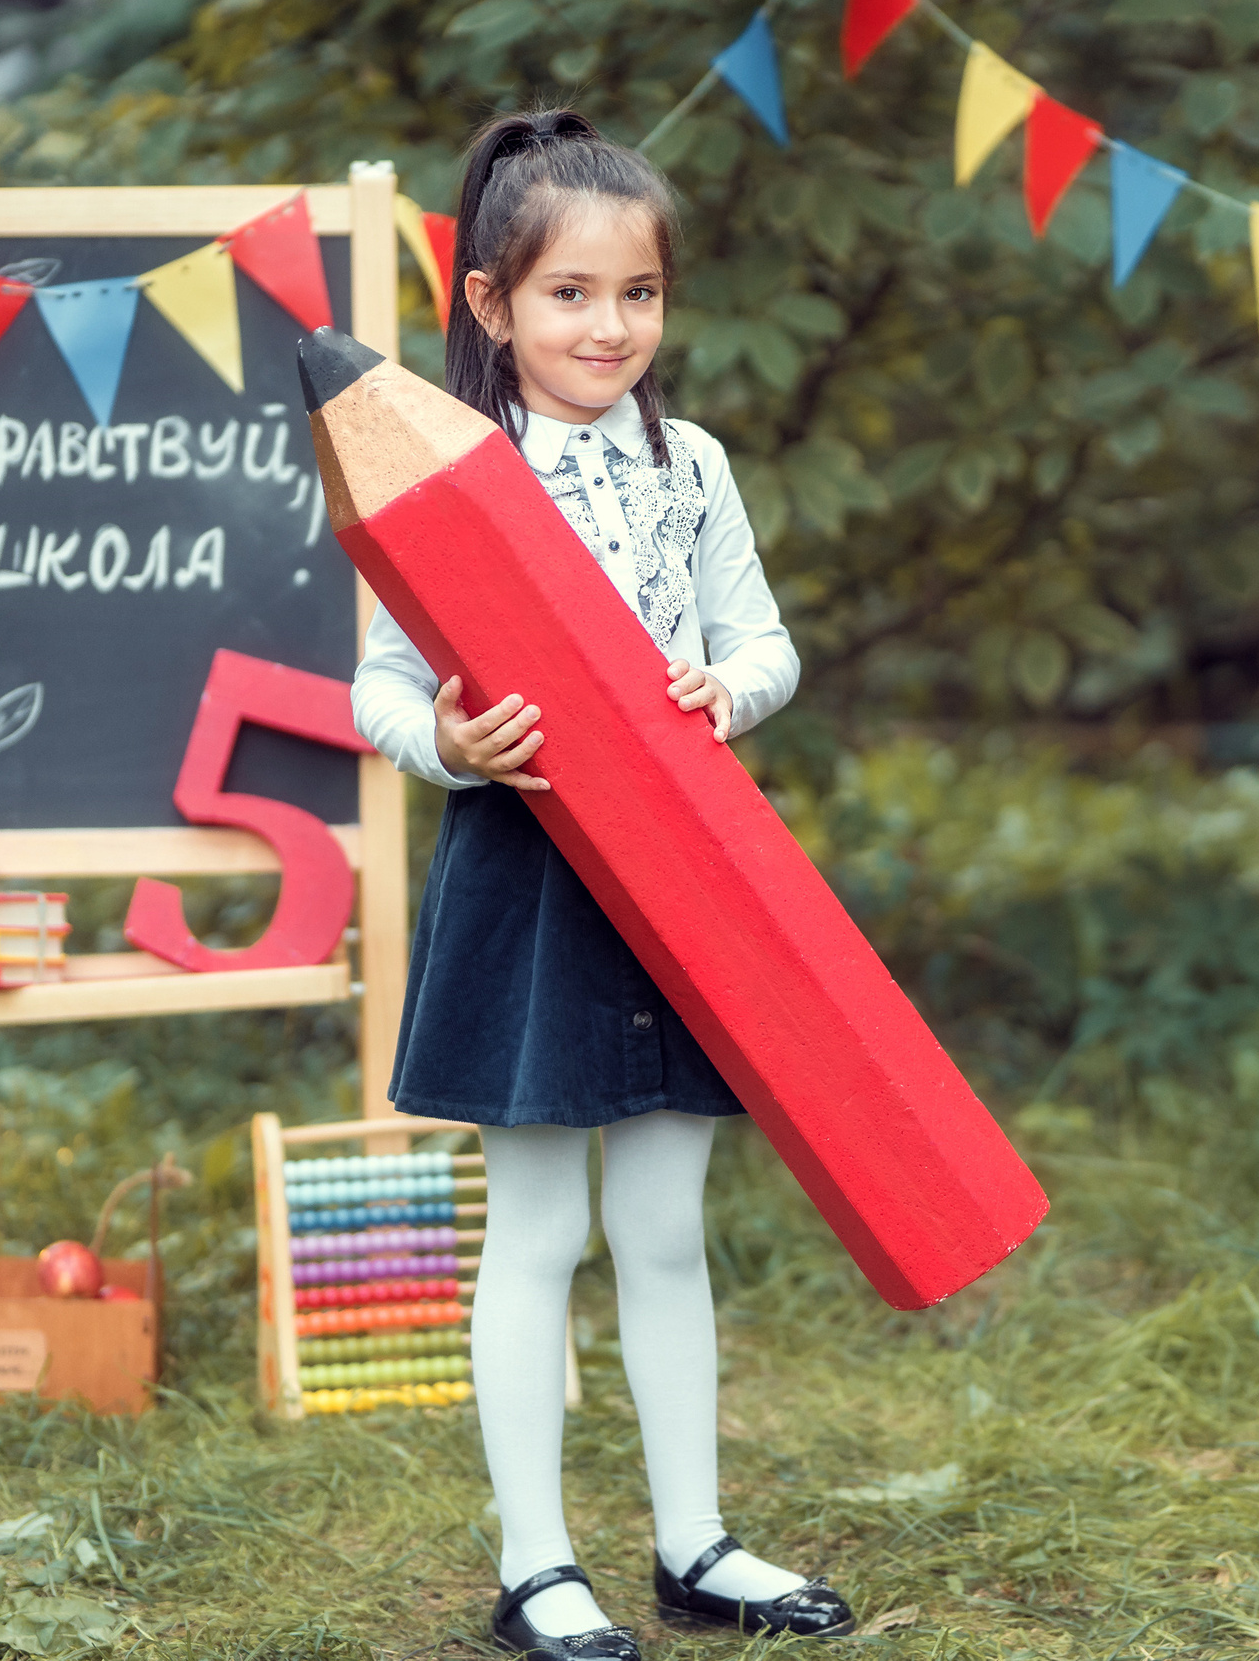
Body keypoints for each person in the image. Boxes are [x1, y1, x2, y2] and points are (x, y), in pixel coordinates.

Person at [349, 109, 855, 1660]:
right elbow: (376, 689)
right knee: (539, 1230)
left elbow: (768, 643)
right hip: (532, 879)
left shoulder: (687, 464)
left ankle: (693, 1540)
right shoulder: (446, 475)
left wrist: (726, 687)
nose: (610, 325)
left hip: (689, 867)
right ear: (492, 303)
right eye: (571, 294)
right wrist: (447, 738)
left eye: (637, 293)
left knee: (663, 1223)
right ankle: (535, 1560)